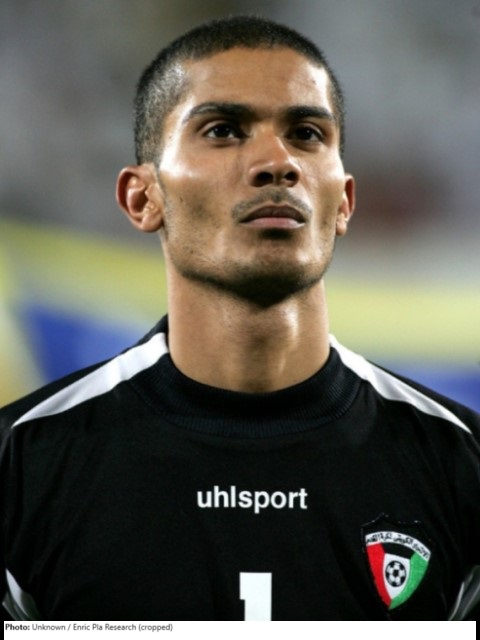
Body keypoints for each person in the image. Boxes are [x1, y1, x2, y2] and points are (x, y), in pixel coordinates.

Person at [1, 15, 479, 622]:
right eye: (223, 130)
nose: (277, 162)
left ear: (344, 202)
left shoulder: (460, 462)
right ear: (142, 198)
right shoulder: (24, 460)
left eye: (306, 133)